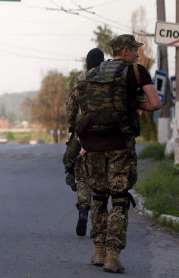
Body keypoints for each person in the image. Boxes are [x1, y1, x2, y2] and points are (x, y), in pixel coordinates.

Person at [76, 35, 161, 274]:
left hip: (93, 142)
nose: (137, 54)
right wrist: (134, 104)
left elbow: (84, 109)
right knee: (119, 197)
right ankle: (113, 255)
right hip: (119, 142)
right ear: (125, 50)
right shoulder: (135, 71)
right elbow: (155, 103)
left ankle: (98, 251)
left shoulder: (92, 73)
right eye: (135, 50)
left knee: (99, 195)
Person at [63, 48, 104, 236]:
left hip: (84, 132)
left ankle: (83, 209)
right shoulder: (112, 79)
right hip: (109, 134)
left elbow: (71, 110)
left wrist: (74, 128)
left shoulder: (79, 81)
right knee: (103, 176)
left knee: (80, 172)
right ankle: (101, 218)